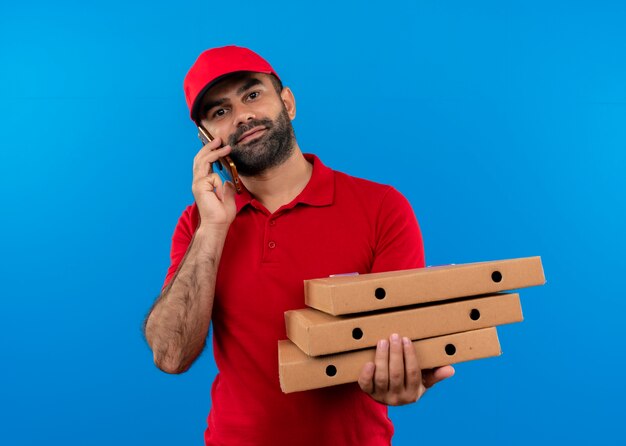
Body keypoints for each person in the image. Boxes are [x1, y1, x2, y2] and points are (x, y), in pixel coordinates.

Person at [143, 45, 455, 446]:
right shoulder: (198, 224)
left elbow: (401, 340)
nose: (242, 116)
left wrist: (405, 377)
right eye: (220, 112)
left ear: (287, 102)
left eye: (252, 95)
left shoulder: (382, 207)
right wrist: (213, 229)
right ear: (206, 139)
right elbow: (170, 355)